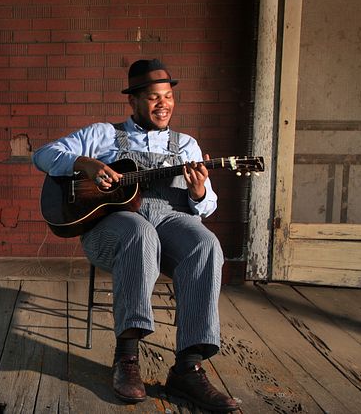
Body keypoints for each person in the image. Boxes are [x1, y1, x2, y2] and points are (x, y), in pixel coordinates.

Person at [32, 59, 239, 412]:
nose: (164, 104)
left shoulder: (186, 144)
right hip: (111, 231)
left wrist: (199, 190)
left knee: (206, 244)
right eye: (154, 97)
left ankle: (188, 367)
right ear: (133, 102)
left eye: (169, 96)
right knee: (140, 232)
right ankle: (127, 358)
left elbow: (206, 208)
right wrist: (86, 164)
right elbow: (43, 155)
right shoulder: (103, 135)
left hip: (171, 223)